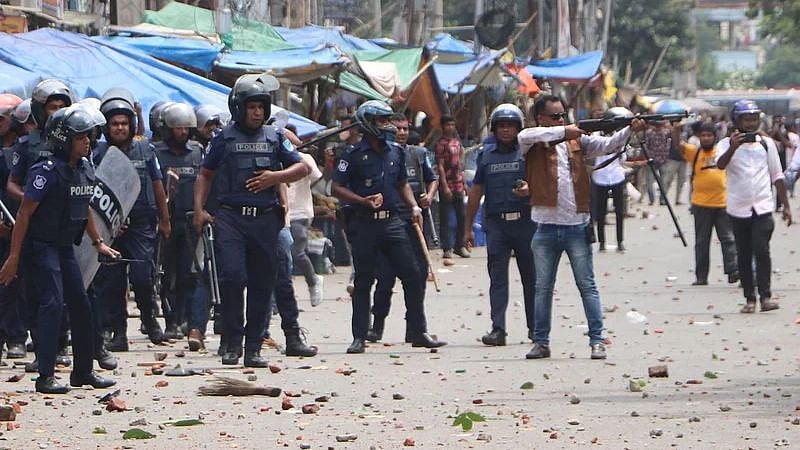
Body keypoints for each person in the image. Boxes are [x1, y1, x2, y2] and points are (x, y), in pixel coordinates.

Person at [0, 105, 118, 393]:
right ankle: (45, 375)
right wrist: (14, 258)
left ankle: (83, 372)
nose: (88, 142)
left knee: (81, 304)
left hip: (65, 247)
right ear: (64, 140)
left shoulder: (85, 169)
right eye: (81, 138)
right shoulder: (46, 171)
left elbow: (84, 208)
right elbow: (25, 214)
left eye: (89, 137)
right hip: (41, 247)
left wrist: (97, 242)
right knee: (52, 304)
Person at [517, 95, 646, 360]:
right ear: (540, 118)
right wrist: (565, 130)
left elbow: (608, 145)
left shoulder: (577, 141)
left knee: (587, 286)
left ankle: (597, 340)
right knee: (542, 288)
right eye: (555, 116)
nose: (561, 120)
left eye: (563, 115)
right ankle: (541, 342)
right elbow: (527, 135)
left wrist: (629, 130)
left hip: (577, 226)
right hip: (545, 227)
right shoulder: (531, 140)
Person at [193, 73, 308, 367]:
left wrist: (275, 177)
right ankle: (231, 342)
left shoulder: (276, 138)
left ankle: (253, 347)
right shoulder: (223, 138)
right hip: (230, 218)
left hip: (265, 220)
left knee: (262, 283)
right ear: (238, 108)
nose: (257, 113)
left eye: (261, 107)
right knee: (233, 277)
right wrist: (198, 209)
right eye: (251, 107)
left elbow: (301, 168)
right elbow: (205, 174)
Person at [332, 100, 446, 353]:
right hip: (364, 224)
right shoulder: (351, 154)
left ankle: (418, 331)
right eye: (382, 121)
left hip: (393, 222)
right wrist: (361, 200)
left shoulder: (397, 152)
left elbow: (402, 183)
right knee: (364, 281)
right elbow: (336, 187)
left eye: (388, 120)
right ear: (368, 124)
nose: (389, 126)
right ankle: (359, 336)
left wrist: (413, 205)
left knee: (413, 274)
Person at [94, 88, 171, 350]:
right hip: (111, 226)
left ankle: (150, 320)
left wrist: (165, 219)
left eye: (124, 123)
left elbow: (158, 184)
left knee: (142, 276)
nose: (120, 128)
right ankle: (117, 332)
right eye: (114, 124)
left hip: (141, 223)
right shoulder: (97, 154)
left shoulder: (145, 150)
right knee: (112, 282)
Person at [8, 80, 74, 370]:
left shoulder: (76, 141)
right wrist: (30, 199)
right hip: (34, 230)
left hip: (66, 231)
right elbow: (13, 182)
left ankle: (62, 346)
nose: (56, 112)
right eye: (52, 108)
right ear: (40, 109)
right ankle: (42, 350)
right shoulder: (28, 144)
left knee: (66, 295)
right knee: (36, 294)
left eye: (62, 107)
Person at [464, 104, 536, 346]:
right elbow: (475, 192)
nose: (506, 130)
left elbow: (545, 183)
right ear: (495, 128)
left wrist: (530, 190)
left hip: (526, 223)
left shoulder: (529, 152)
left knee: (531, 278)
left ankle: (536, 328)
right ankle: (498, 329)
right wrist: (466, 229)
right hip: (497, 225)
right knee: (497, 279)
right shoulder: (486, 155)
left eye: (511, 125)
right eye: (502, 126)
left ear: (519, 128)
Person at [367, 113, 438, 343]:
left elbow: (432, 178)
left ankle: (416, 328)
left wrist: (429, 196)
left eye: (405, 128)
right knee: (385, 278)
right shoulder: (381, 155)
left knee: (417, 276)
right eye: (397, 128)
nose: (402, 132)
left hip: (414, 222)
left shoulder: (418, 154)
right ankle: (376, 326)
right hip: (388, 222)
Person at [716, 100, 792, 313]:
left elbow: (777, 175)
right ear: (737, 121)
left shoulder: (766, 144)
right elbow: (720, 165)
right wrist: (734, 146)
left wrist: (785, 206)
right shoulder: (725, 145)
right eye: (746, 119)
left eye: (753, 119)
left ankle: (765, 297)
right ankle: (750, 298)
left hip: (763, 206)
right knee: (743, 252)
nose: (750, 124)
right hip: (738, 208)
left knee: (762, 250)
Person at [154, 102, 207, 348]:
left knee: (189, 273)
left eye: (186, 128)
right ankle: (170, 320)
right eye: (177, 128)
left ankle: (186, 318)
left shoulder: (197, 152)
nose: (182, 132)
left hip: (190, 220)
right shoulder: (157, 153)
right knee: (168, 274)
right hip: (167, 221)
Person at [672, 121, 738, 286]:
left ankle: (732, 271)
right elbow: (678, 144)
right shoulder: (694, 152)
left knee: (728, 239)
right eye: (703, 135)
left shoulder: (722, 153)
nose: (706, 138)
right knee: (702, 242)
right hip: (701, 205)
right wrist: (675, 130)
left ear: (715, 137)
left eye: (709, 135)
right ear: (699, 137)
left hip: (722, 203)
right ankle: (701, 277)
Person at [0, 94, 26, 360]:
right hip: (2, 224)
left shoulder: (24, 149)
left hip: (23, 222)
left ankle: (17, 336)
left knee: (18, 284)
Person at [287, 131, 325, 307]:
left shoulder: (304, 157)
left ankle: (313, 281)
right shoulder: (272, 153)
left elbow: (315, 177)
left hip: (299, 213)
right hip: (279, 213)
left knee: (297, 252)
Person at [591, 107, 634, 252]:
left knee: (619, 211)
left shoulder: (620, 136)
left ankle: (620, 241)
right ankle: (602, 242)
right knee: (600, 212)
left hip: (616, 175)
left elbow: (623, 158)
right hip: (600, 177)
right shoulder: (595, 136)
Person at [435, 115, 469, 258]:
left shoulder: (457, 143)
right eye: (448, 125)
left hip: (458, 184)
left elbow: (460, 165)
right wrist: (445, 186)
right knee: (445, 218)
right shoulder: (441, 144)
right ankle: (446, 248)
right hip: (447, 185)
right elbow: (440, 167)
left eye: (452, 124)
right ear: (443, 127)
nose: (450, 127)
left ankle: (459, 246)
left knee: (462, 217)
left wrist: (464, 183)